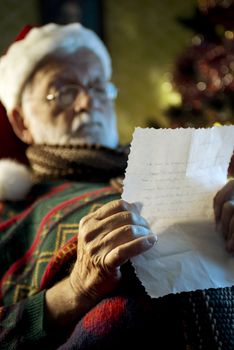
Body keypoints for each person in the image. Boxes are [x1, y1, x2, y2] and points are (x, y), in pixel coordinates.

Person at [0, 22, 233, 350]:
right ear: (21, 122)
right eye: (64, 91)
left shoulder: (180, 172)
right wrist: (76, 289)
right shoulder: (10, 208)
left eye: (97, 87)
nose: (86, 103)